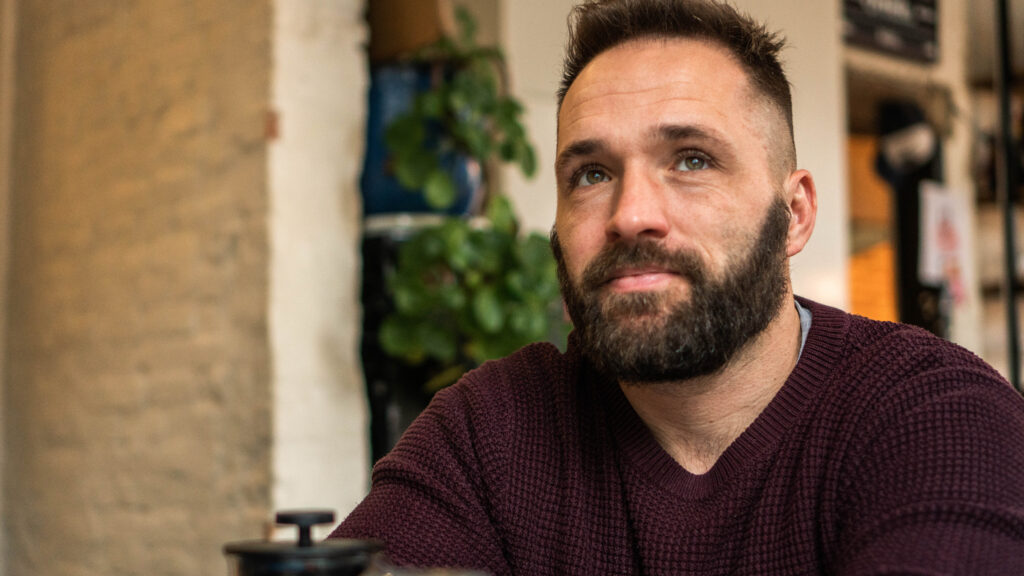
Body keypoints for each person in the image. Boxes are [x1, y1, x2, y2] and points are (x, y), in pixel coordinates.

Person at [332, 0, 1024, 573]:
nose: (630, 214)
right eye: (592, 174)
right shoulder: (494, 429)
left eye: (691, 160)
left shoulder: (933, 413)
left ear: (794, 214)